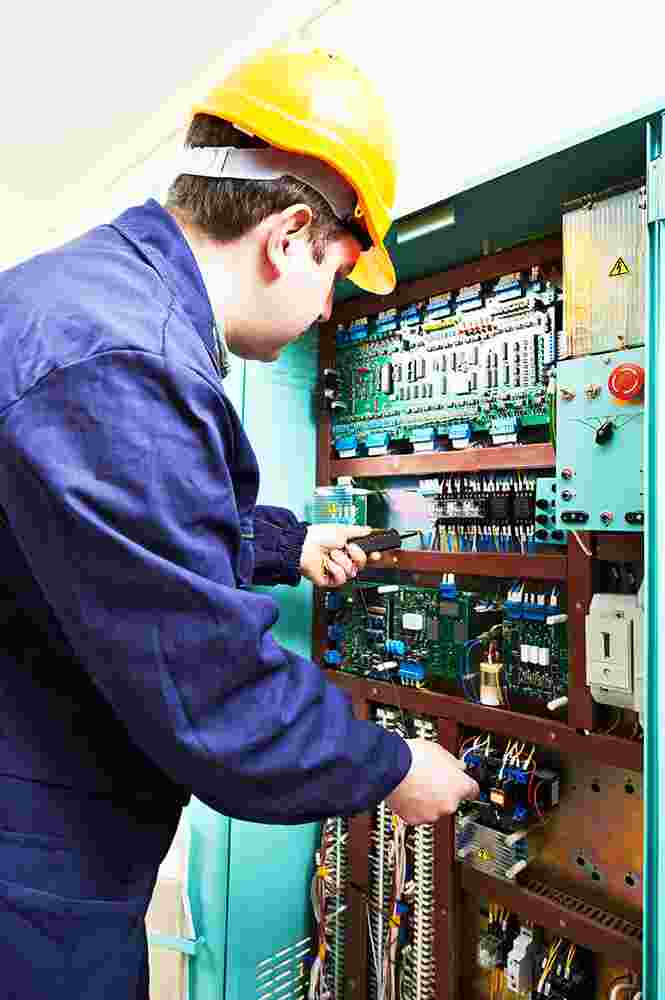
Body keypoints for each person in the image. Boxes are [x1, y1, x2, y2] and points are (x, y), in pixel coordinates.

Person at [0, 45, 478, 998]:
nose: (325, 306)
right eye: (338, 276)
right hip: (29, 858)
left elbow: (107, 533)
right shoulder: (124, 357)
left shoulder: (86, 303)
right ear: (291, 233)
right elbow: (207, 689)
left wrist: (282, 543)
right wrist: (387, 767)